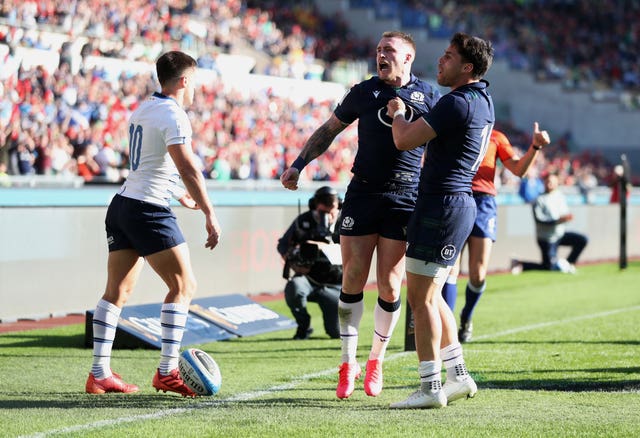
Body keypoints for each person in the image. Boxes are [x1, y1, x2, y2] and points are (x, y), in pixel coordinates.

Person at [280, 31, 441, 399]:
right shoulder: (363, 92)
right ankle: (347, 362)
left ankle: (376, 360)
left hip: (406, 195)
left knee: (390, 282)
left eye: (390, 50)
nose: (381, 54)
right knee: (352, 274)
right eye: (379, 49)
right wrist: (299, 164)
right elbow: (328, 130)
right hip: (364, 191)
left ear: (408, 58)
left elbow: (444, 145)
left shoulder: (428, 96)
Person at [85, 51, 222, 397]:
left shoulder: (145, 108)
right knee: (184, 286)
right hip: (147, 210)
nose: (196, 90)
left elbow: (150, 163)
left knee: (117, 291)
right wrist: (209, 211)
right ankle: (167, 371)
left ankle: (99, 373)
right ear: (185, 81)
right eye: (195, 83)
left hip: (123, 206)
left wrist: (177, 195)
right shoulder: (174, 115)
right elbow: (188, 167)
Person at [386, 32, 494, 409]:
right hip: (458, 204)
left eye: (448, 57)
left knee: (419, 298)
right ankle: (458, 375)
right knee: (433, 296)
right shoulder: (483, 99)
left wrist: (398, 113)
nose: (439, 62)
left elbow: (404, 141)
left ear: (467, 67)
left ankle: (430, 386)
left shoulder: (457, 102)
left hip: (440, 206)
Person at [443, 124, 551, 343]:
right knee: (449, 269)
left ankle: (467, 316)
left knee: (478, 273)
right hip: (456, 197)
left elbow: (519, 169)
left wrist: (535, 147)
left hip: (483, 203)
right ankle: (447, 327)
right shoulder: (452, 130)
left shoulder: (496, 137)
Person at [277, 186, 342, 340]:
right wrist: (293, 257)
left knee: (336, 333)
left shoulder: (345, 221)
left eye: (331, 207)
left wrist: (325, 246)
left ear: (338, 204)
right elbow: (283, 245)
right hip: (309, 278)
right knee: (294, 287)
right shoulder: (303, 221)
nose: (327, 213)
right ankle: (304, 325)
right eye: (323, 208)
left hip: (336, 283)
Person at [511, 172, 588, 274]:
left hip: (560, 234)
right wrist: (558, 220)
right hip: (547, 238)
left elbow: (564, 213)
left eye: (551, 182)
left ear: (557, 183)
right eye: (547, 182)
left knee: (582, 240)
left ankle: (568, 264)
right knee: (549, 267)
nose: (549, 184)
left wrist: (567, 218)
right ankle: (521, 264)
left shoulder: (559, 196)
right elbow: (540, 219)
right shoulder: (539, 200)